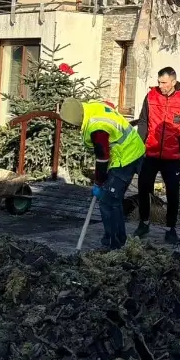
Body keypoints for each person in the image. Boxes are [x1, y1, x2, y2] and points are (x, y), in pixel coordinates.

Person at [60, 97, 145, 250]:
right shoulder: (90, 107)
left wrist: (99, 182)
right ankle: (115, 239)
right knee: (113, 199)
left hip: (126, 156)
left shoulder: (97, 128)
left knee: (108, 200)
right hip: (129, 148)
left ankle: (115, 245)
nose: (72, 128)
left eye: (72, 125)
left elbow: (102, 157)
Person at [135, 67, 180, 244]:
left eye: (164, 83)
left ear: (173, 82)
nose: (160, 86)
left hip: (172, 156)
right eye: (159, 82)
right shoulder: (151, 96)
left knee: (173, 193)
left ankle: (170, 229)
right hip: (150, 152)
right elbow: (143, 121)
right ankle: (144, 223)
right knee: (143, 188)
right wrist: (139, 145)